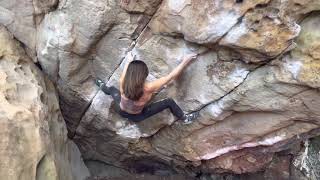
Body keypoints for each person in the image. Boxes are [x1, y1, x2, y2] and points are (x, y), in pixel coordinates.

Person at [95, 52, 199, 124]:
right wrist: (185, 61)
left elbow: (126, 71)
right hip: (138, 116)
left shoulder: (123, 82)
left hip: (122, 111)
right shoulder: (149, 87)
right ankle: (184, 118)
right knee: (169, 102)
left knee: (112, 89)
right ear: (144, 75)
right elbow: (171, 76)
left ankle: (102, 86)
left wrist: (129, 61)